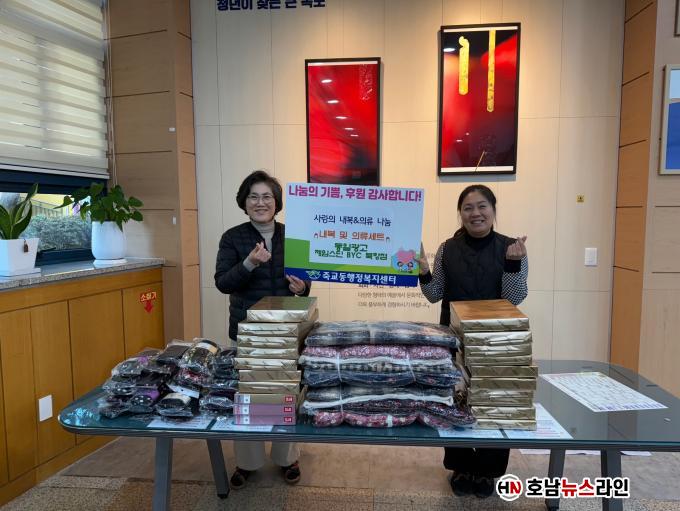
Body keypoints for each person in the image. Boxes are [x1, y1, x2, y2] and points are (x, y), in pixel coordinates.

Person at [417, 184, 528, 499]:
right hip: (453, 338)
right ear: (460, 213)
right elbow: (434, 294)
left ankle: (488, 471)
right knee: (454, 400)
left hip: (496, 340)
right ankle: (461, 466)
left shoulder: (512, 247)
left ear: (493, 210)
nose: (475, 213)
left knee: (494, 401)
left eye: (482, 206)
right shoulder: (448, 249)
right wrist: (423, 271)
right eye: (468, 208)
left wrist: (513, 263)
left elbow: (514, 298)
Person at [215, 170, 310, 489]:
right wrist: (249, 263)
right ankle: (247, 461)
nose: (260, 202)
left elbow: (305, 280)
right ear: (244, 202)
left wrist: (302, 287)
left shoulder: (293, 235)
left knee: (287, 392)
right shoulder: (232, 238)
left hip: (286, 330)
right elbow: (222, 282)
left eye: (267, 196)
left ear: (277, 202)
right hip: (248, 332)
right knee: (248, 395)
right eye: (253, 196)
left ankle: (288, 457)